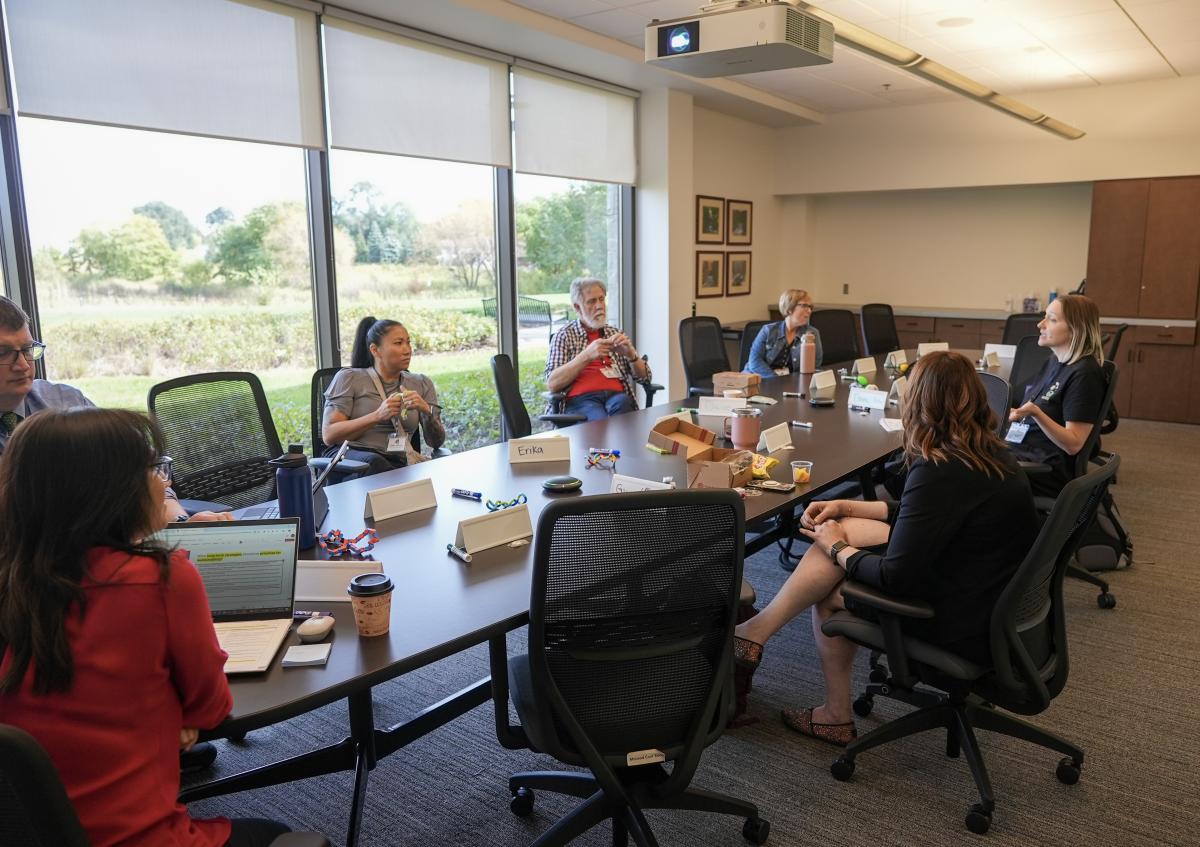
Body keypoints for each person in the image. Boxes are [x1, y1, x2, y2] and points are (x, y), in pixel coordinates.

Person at [0, 407, 293, 846]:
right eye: (153, 469)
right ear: (107, 492)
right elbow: (212, 710)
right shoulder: (160, 578)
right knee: (278, 834)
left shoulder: (15, 579)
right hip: (140, 837)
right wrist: (174, 714)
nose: (165, 483)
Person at [732, 351, 1037, 746]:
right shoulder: (984, 453)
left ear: (921, 403)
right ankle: (756, 633)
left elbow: (896, 576)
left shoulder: (941, 468)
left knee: (829, 590)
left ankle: (834, 715)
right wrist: (845, 508)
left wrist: (838, 547)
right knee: (845, 528)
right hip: (990, 599)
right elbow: (919, 516)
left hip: (958, 621)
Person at [0, 296, 229, 527]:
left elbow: (144, 470)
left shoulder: (65, 402)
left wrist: (180, 522)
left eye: (28, 349)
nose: (23, 365)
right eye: (3, 353)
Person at [1007, 294, 1107, 498]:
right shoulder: (1053, 362)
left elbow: (1074, 444)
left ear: (1075, 329)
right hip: (1020, 451)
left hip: (1042, 469)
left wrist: (1036, 413)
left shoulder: (1084, 374)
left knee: (960, 474)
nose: (1040, 324)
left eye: (1051, 319)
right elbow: (1026, 405)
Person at [322, 316, 445, 476]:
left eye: (408, 342)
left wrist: (426, 412)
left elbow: (436, 442)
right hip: (350, 459)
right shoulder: (349, 379)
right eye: (398, 343)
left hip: (397, 463)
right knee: (375, 463)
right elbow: (330, 435)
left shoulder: (421, 383)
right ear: (375, 350)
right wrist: (377, 416)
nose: (407, 350)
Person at [544, 277, 650, 421]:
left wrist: (632, 355)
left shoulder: (614, 333)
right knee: (599, 423)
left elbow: (645, 379)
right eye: (592, 301)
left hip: (616, 396)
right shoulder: (564, 336)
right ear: (577, 307)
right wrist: (586, 356)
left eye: (601, 299)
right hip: (582, 400)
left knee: (624, 409)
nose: (599, 306)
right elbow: (552, 384)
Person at [745, 289, 823, 378]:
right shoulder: (768, 330)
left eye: (810, 307)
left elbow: (815, 365)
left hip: (789, 383)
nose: (809, 311)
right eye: (804, 306)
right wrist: (777, 380)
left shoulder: (812, 334)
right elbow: (754, 362)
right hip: (759, 380)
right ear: (789, 309)